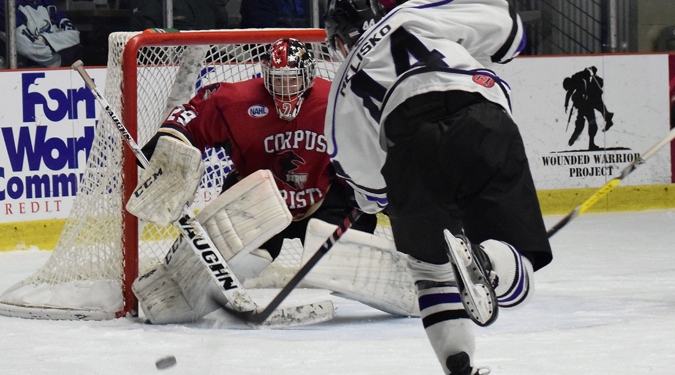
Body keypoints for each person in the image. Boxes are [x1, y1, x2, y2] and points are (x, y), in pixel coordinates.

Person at [324, 0, 553, 374]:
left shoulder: (341, 88)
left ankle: (459, 367)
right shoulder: (411, 13)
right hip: (482, 121)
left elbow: (368, 189)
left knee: (430, 272)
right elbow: (510, 31)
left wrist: (383, 199)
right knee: (518, 282)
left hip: (409, 149)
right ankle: (489, 261)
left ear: (340, 42)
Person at [126, 38, 418, 324]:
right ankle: (172, 296)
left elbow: (378, 141)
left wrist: (384, 190)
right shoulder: (235, 101)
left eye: (292, 80)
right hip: (258, 205)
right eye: (278, 79)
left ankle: (425, 289)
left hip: (323, 200)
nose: (285, 88)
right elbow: (188, 118)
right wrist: (165, 147)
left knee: (346, 265)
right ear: (265, 74)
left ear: (309, 77)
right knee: (244, 260)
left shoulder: (337, 101)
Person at [0, 0, 82, 68]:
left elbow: (74, 36)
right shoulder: (6, 6)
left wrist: (43, 39)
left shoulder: (47, 3)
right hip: (16, 76)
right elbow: (31, 49)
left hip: (53, 71)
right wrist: (60, 55)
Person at [563, 66, 614, 150]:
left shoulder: (577, 79)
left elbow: (576, 89)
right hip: (587, 103)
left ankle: (586, 141)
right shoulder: (577, 81)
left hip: (588, 102)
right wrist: (566, 104)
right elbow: (570, 93)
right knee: (591, 120)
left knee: (589, 122)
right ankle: (589, 142)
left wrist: (568, 104)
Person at [130, 0, 229, 31]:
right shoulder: (151, 3)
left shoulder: (207, 3)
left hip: (207, 59)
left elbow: (220, 23)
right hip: (168, 64)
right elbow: (145, 30)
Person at [239, 0, 312, 28]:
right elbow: (267, 33)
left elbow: (320, 25)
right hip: (265, 57)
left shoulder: (310, 2)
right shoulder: (255, 2)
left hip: (310, 53)